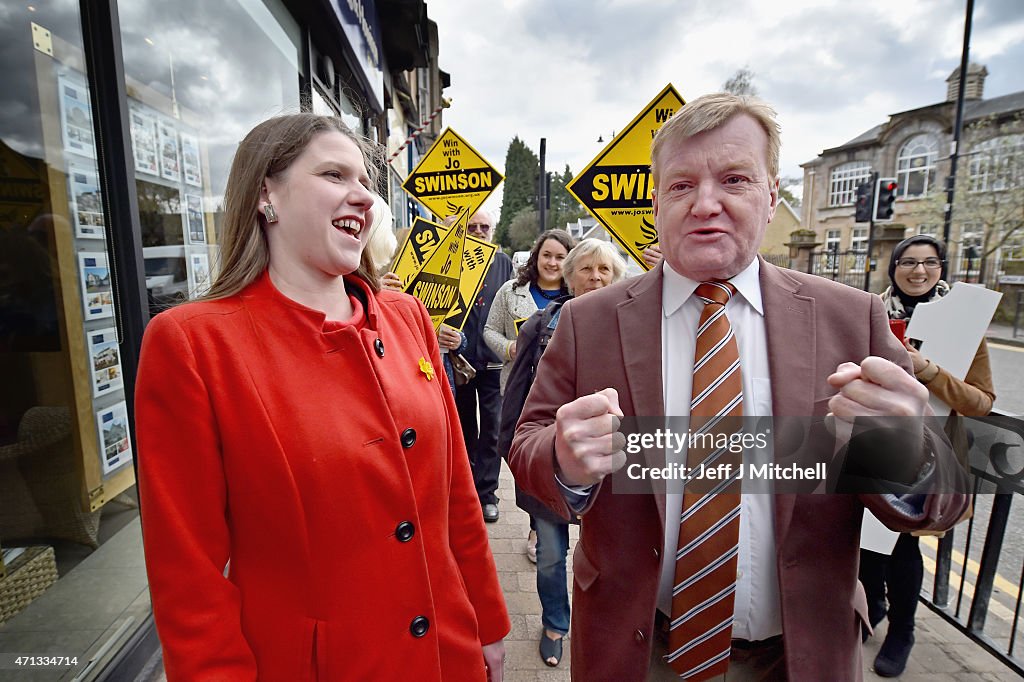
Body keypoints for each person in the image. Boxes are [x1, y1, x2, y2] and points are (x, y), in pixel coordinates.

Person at [507, 93, 968, 681]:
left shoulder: (851, 319)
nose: (706, 204)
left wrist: (909, 450)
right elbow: (527, 446)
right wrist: (563, 461)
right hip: (638, 649)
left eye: (734, 179)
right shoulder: (588, 321)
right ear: (656, 201)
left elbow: (943, 505)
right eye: (680, 186)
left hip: (798, 655)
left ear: (772, 194)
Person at [135, 113, 509, 681]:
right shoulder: (192, 344)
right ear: (267, 193)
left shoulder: (407, 317)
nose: (363, 196)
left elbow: (455, 489)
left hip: (448, 651)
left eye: (366, 182)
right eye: (335, 175)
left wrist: (487, 620)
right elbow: (188, 572)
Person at [859, 234, 994, 677]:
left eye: (929, 263)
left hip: (926, 452)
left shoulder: (966, 326)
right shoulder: (870, 312)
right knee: (866, 544)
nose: (919, 271)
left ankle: (903, 631)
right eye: (908, 262)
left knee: (903, 546)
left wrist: (927, 369)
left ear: (942, 268)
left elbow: (980, 401)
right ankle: (872, 607)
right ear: (893, 267)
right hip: (876, 441)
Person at [498, 238, 626, 667]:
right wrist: (518, 458)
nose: (595, 278)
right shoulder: (541, 325)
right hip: (553, 471)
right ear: (569, 277)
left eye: (605, 270)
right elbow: (515, 404)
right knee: (551, 556)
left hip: (617, 475)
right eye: (586, 270)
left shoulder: (638, 331)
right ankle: (556, 623)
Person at [485, 227, 574, 554]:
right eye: (546, 255)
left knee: (558, 460)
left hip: (566, 394)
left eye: (560, 257)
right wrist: (510, 348)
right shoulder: (511, 291)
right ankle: (539, 524)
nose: (552, 263)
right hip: (520, 391)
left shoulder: (579, 295)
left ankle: (550, 526)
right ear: (536, 257)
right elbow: (489, 330)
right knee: (529, 459)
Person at [453, 210, 513, 522]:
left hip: (493, 362)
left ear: (493, 230)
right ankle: (467, 491)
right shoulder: (451, 260)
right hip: (459, 362)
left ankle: (487, 493)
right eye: (472, 227)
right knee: (464, 430)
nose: (478, 232)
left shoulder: (504, 264)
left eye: (484, 227)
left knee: (493, 429)